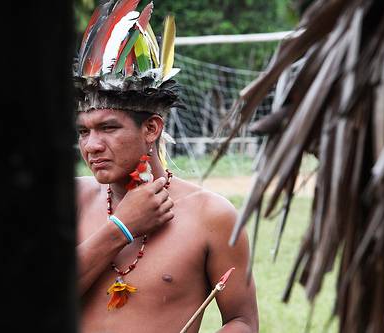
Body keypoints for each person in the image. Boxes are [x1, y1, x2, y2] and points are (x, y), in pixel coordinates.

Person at [74, 1, 258, 332]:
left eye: (109, 128)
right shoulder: (72, 199)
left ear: (151, 129)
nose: (92, 145)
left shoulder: (211, 216)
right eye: (84, 131)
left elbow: (242, 320)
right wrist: (121, 228)